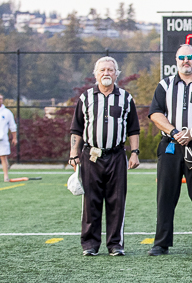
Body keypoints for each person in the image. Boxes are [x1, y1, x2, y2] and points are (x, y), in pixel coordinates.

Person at [147, 44, 192, 257]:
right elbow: (155, 113)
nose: (185, 61)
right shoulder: (165, 85)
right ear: (176, 60)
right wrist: (174, 132)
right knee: (165, 196)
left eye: (190, 57)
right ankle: (161, 243)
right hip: (170, 146)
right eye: (182, 57)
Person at [68, 56, 140, 256]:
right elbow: (76, 128)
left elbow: (134, 129)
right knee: (90, 201)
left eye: (110, 70)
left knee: (117, 201)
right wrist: (74, 154)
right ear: (95, 74)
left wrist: (134, 153)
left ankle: (115, 244)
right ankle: (90, 244)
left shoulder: (126, 98)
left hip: (117, 155)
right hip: (90, 155)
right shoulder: (86, 98)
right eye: (102, 70)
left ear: (117, 74)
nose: (106, 73)